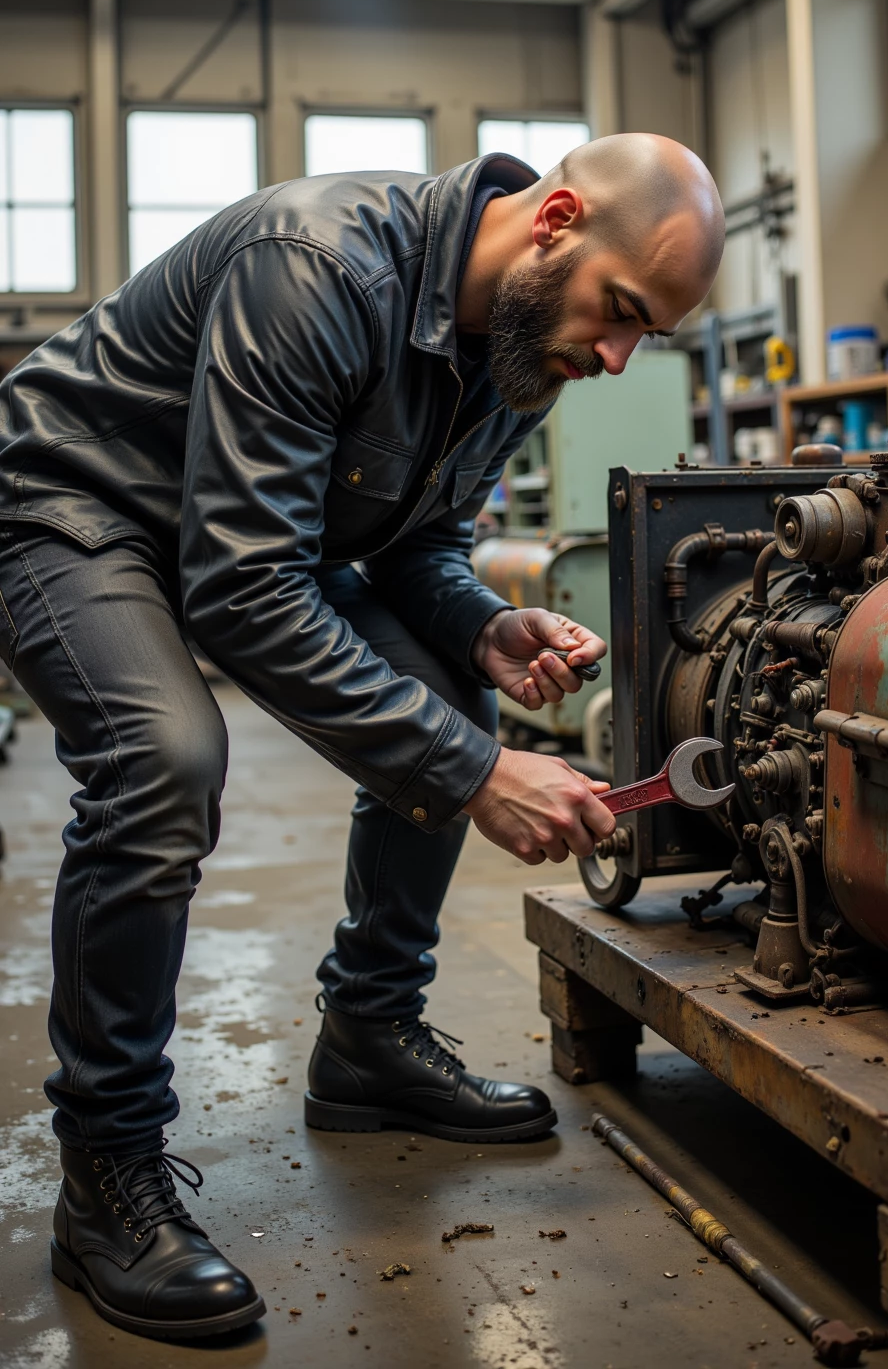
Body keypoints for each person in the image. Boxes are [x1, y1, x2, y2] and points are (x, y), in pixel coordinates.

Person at [0, 132, 724, 1341]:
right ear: (553, 223)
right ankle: (107, 1170)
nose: (617, 356)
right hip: (76, 503)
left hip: (236, 541)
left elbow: (412, 543)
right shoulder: (321, 267)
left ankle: (368, 1037)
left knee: (449, 680)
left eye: (645, 334)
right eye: (623, 313)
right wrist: (479, 774)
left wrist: (485, 623)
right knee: (162, 757)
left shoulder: (518, 349)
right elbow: (243, 589)